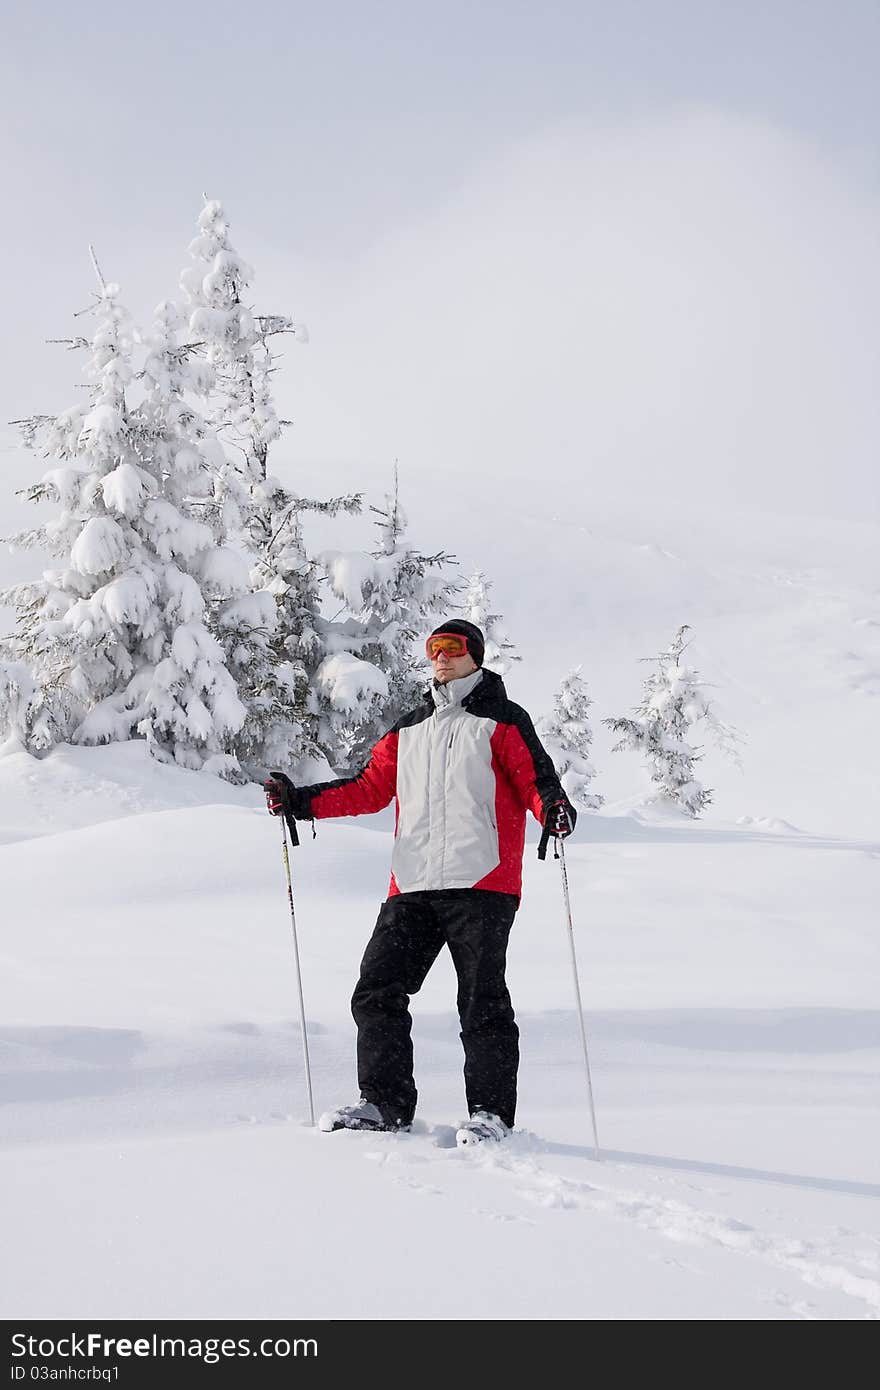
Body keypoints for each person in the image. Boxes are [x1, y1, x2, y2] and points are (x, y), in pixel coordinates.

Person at [264, 619, 576, 1145]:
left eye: (453, 648)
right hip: (411, 883)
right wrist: (301, 801)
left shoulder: (502, 720)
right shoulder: (410, 727)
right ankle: (384, 1104)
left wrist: (554, 808)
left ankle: (491, 1115)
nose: (442, 657)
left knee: (481, 1000)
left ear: (475, 656)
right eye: (434, 649)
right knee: (376, 990)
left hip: (483, 881)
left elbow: (535, 779)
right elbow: (368, 788)